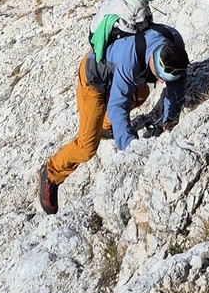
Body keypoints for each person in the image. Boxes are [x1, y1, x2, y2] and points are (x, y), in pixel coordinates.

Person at [38, 23, 189, 214]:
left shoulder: (174, 42)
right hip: (93, 80)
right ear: (153, 60)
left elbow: (177, 86)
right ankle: (50, 173)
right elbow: (118, 107)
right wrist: (132, 152)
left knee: (141, 93)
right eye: (160, 76)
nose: (161, 82)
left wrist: (170, 119)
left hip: (118, 73)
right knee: (86, 147)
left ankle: (108, 127)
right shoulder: (129, 60)